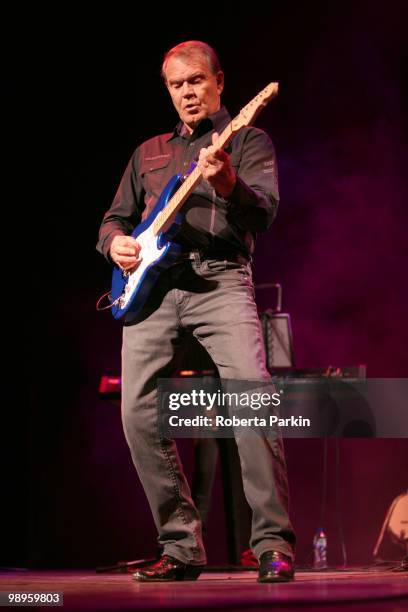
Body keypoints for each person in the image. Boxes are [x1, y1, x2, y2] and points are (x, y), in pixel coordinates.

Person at [97, 40, 296, 583]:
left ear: (220, 82)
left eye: (196, 81)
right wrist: (116, 244)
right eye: (176, 85)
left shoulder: (248, 139)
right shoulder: (148, 152)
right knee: (137, 413)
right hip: (153, 292)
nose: (187, 92)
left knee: (251, 397)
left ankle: (273, 542)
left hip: (220, 281)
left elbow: (266, 213)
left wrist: (227, 181)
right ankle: (181, 546)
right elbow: (113, 221)